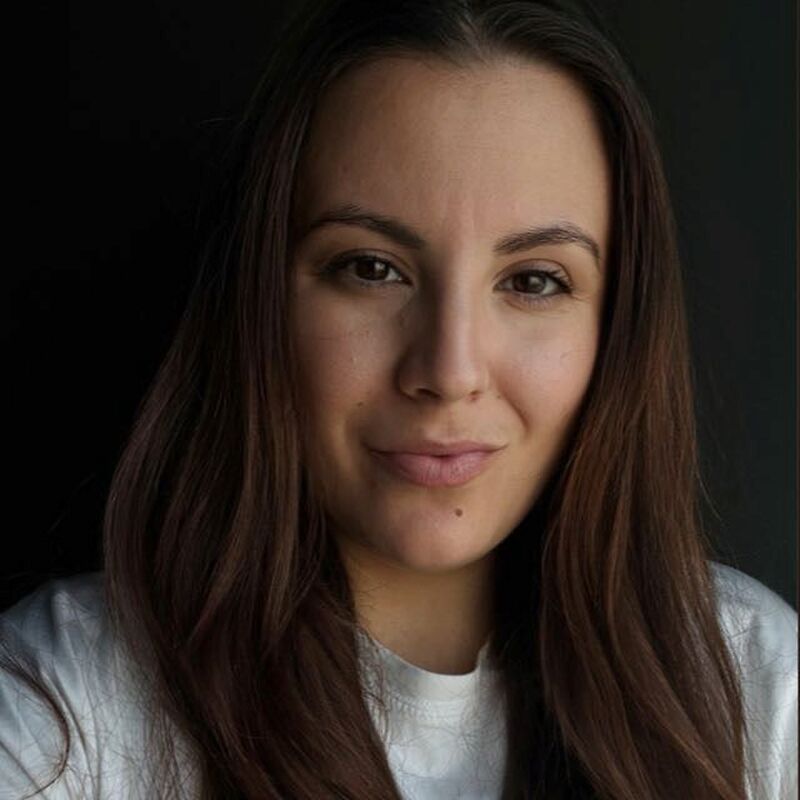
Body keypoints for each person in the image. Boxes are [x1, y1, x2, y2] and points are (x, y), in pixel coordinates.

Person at [1, 0, 796, 797]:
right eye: (371, 269)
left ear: (618, 326)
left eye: (533, 281)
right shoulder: (64, 709)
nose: (449, 370)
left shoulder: (759, 689)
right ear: (259, 298)